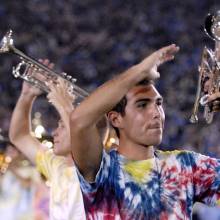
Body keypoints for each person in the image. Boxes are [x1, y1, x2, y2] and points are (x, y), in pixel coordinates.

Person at [70, 44, 220, 219]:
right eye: (142, 105)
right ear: (115, 119)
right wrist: (139, 71)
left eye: (158, 103)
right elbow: (78, 120)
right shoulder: (102, 169)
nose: (156, 113)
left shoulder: (185, 165)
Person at [9, 59, 86, 220]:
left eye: (62, 126)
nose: (54, 133)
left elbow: (81, 135)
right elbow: (19, 136)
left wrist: (61, 99)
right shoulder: (57, 166)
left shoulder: (100, 170)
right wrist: (26, 96)